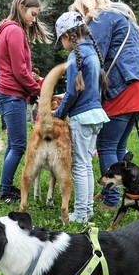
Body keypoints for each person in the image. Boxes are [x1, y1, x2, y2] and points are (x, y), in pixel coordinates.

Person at [69, 0, 139, 212]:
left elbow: (92, 55)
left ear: (87, 5)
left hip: (122, 86)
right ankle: (122, 194)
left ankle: (111, 201)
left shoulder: (101, 17)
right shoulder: (123, 17)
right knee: (119, 146)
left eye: (81, 12)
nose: (83, 20)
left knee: (106, 145)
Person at [0, 0, 51, 204]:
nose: (35, 19)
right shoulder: (15, 31)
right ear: (21, 8)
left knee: (12, 145)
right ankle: (4, 192)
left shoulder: (9, 30)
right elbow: (20, 71)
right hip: (12, 94)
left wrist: (32, 90)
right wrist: (39, 90)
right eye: (33, 14)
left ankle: (5, 187)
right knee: (18, 145)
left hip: (10, 93)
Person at [52, 11, 110, 224]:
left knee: (79, 166)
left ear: (68, 36)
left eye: (62, 42)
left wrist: (58, 114)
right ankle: (87, 211)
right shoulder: (93, 53)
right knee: (86, 165)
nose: (63, 47)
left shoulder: (75, 56)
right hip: (96, 115)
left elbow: (71, 93)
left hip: (82, 117)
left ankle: (81, 213)